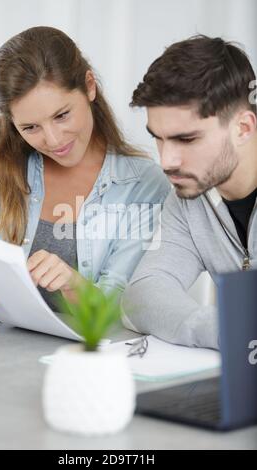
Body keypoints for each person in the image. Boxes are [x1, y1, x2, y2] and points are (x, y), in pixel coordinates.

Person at [0, 26, 169, 325]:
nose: (54, 140)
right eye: (30, 127)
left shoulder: (143, 184)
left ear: (90, 86)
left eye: (61, 115)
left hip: (79, 362)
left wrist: (74, 286)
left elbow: (122, 311)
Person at [122, 35, 257, 350]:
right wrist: (227, 330)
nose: (167, 161)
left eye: (187, 139)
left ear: (243, 128)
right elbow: (143, 294)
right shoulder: (189, 198)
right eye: (159, 138)